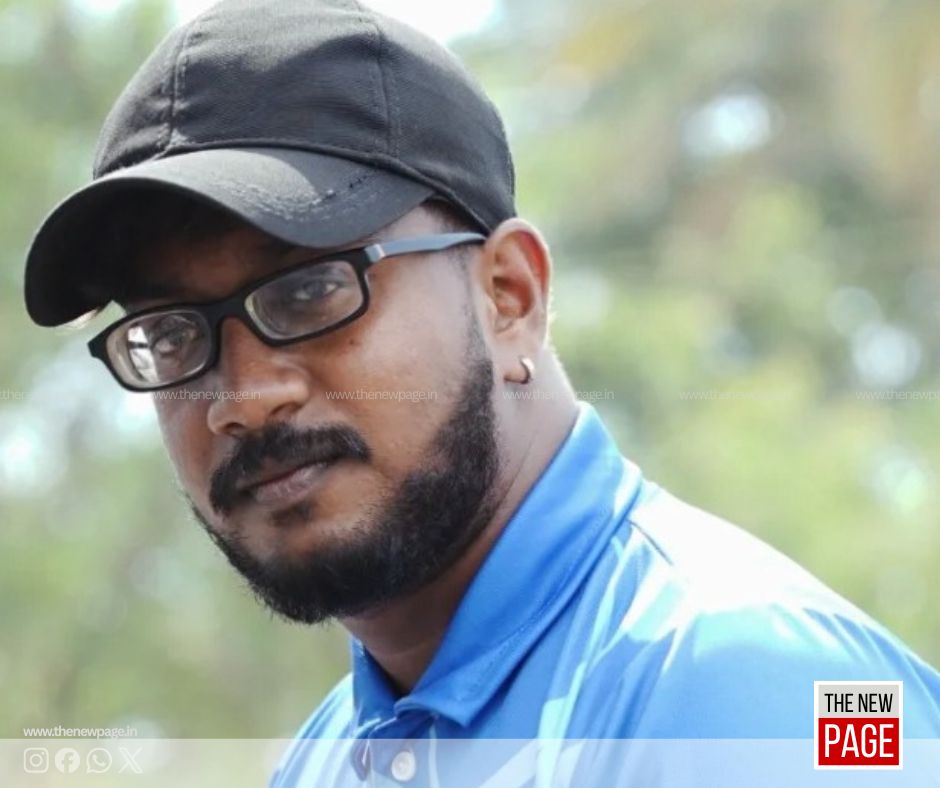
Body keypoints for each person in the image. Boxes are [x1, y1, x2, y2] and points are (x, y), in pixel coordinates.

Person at [22, 0, 940, 785]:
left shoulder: (755, 691)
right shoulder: (324, 760)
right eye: (170, 334)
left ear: (510, 297)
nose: (245, 397)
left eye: (311, 291)